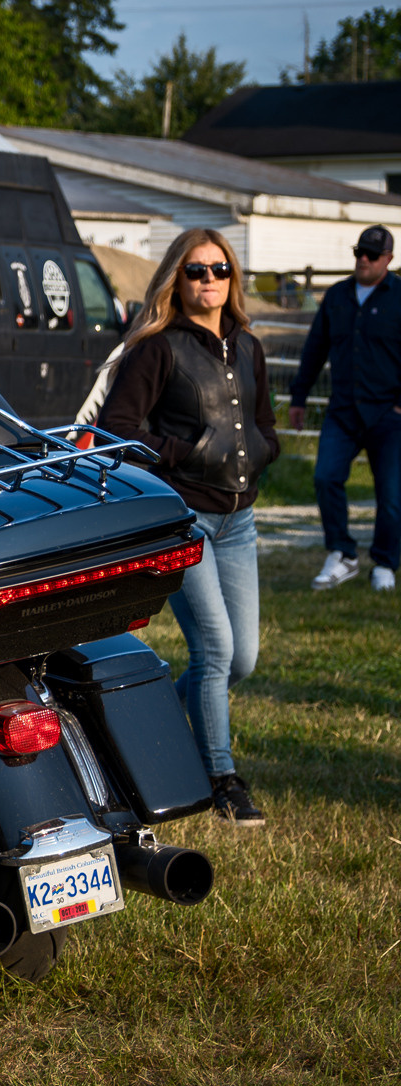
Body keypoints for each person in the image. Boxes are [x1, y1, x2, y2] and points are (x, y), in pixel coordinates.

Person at [100, 230, 279, 827]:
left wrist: (263, 449)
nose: (209, 280)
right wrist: (184, 450)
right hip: (187, 520)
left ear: (234, 277)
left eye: (220, 269)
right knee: (216, 650)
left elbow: (264, 423)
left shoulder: (248, 346)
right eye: (197, 270)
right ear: (177, 278)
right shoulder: (157, 348)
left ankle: (154, 730)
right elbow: (116, 431)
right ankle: (223, 780)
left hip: (241, 522)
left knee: (242, 661)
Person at [289, 224, 400, 592]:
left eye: (371, 255)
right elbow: (314, 350)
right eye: (359, 253)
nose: (363, 260)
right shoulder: (336, 296)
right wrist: (299, 397)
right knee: (325, 477)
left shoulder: (399, 295)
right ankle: (342, 552)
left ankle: (384, 562)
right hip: (343, 410)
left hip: (389, 413)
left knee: (392, 496)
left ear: (389, 259)